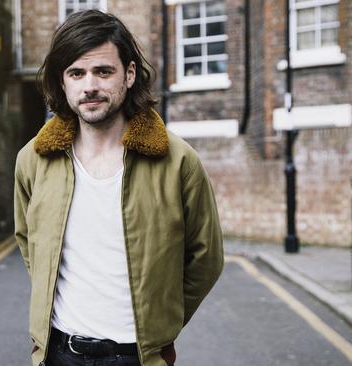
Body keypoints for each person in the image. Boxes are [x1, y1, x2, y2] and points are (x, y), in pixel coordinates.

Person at [14, 10, 223, 366]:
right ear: (62, 83)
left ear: (128, 74)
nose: (89, 85)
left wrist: (160, 322)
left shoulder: (178, 161)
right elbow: (28, 242)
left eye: (103, 71)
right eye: (76, 73)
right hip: (59, 354)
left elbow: (206, 258)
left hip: (138, 357)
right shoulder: (33, 160)